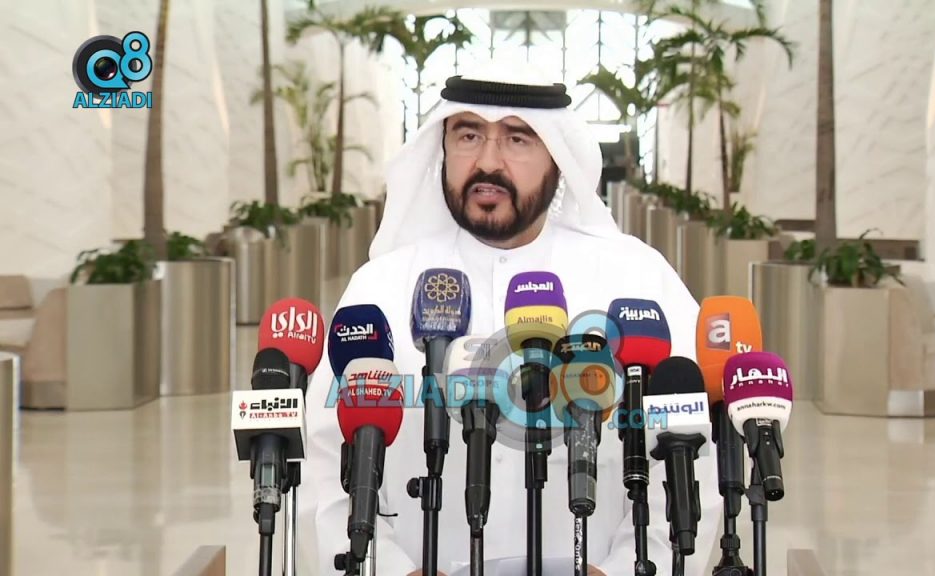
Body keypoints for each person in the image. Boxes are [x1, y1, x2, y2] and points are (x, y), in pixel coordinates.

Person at [301, 60, 722, 576]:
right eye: (468, 135)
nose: (487, 161)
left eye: (517, 139)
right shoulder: (383, 286)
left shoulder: (635, 278)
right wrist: (388, 570)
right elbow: (326, 458)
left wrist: (625, 570)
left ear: (557, 156)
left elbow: (690, 452)